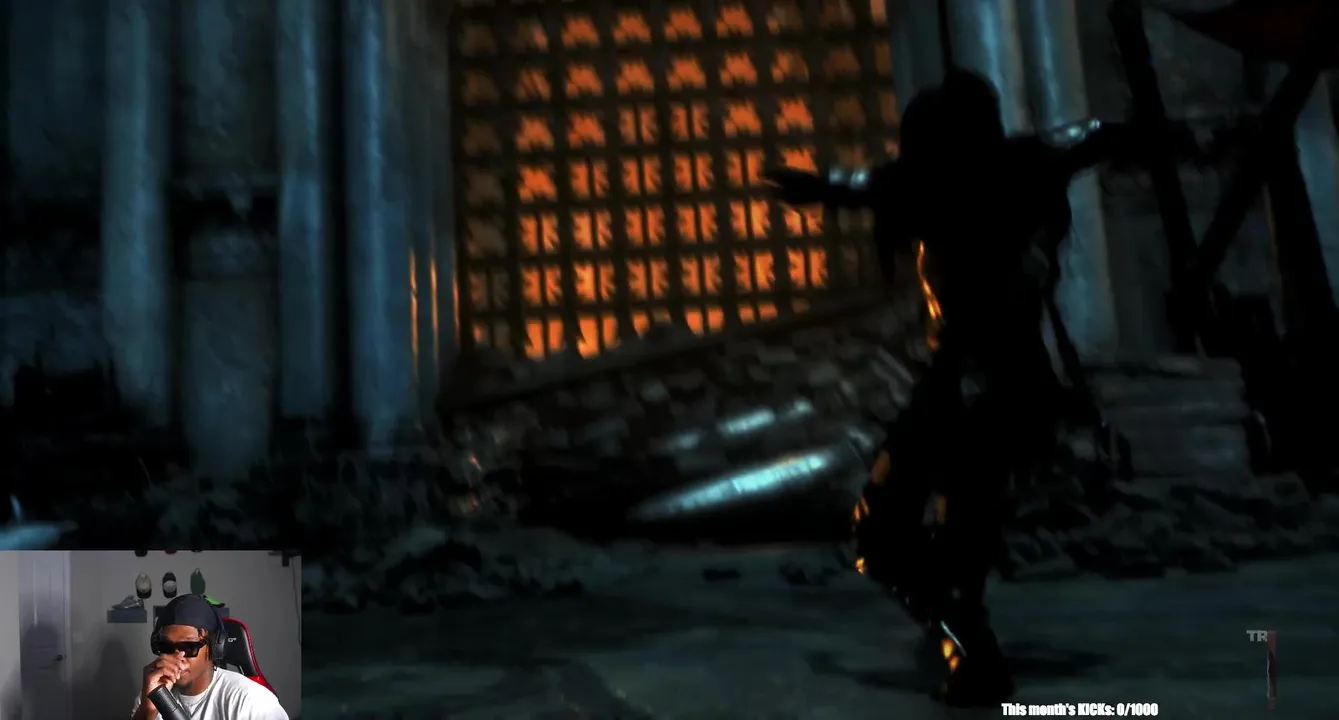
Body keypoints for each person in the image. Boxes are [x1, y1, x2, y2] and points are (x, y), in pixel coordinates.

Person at [767, 68, 1146, 707]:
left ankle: (969, 650)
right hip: (1008, 383)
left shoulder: (934, 186)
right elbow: (1085, 137)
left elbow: (868, 185)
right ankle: (963, 640)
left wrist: (818, 187)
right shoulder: (1023, 167)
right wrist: (1138, 132)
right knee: (947, 535)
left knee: (893, 535)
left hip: (970, 386)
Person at [131, 594, 289, 720]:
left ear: (215, 647)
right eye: (166, 647)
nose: (177, 656)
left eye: (189, 647)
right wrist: (149, 710)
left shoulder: (251, 701)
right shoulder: (152, 694)